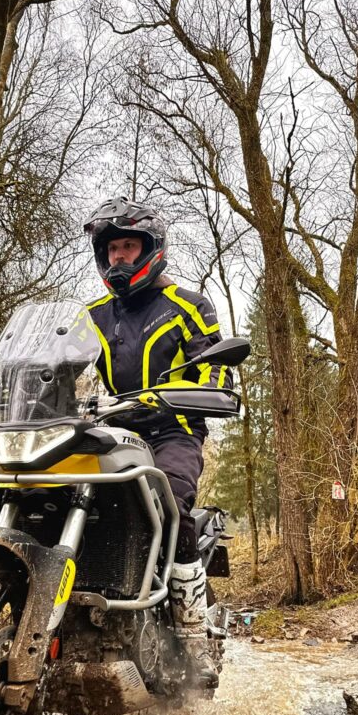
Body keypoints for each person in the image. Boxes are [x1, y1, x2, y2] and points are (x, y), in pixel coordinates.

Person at [83, 196, 232, 688]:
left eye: (128, 247)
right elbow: (56, 364)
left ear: (150, 249)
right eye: (112, 249)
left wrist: (194, 395)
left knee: (170, 503)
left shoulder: (189, 305)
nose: (119, 257)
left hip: (174, 428)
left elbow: (215, 365)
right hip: (114, 429)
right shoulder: (91, 316)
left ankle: (192, 634)